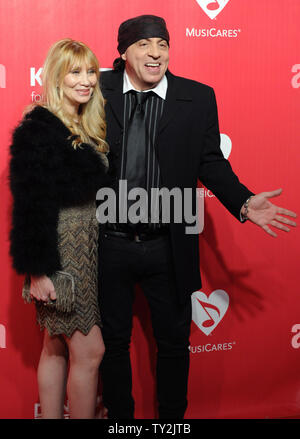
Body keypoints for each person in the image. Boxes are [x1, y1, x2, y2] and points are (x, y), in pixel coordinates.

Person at [98, 15, 297, 419]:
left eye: (162, 44)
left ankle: (172, 422)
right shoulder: (98, 91)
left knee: (173, 344)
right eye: (144, 45)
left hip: (169, 244)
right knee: (112, 345)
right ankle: (120, 422)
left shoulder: (198, 97)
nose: (155, 53)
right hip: (108, 244)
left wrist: (243, 202)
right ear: (123, 52)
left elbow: (210, 161)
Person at [9, 39, 109, 419]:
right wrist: (38, 270)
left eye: (91, 72)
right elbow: (29, 203)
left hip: (86, 248)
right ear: (56, 76)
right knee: (90, 350)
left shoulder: (87, 123)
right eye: (75, 72)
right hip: (60, 253)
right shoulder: (39, 127)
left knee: (54, 345)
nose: (86, 81)